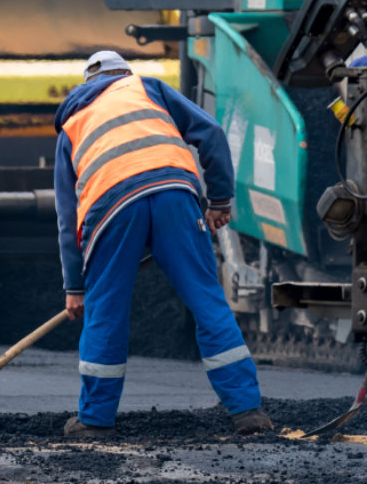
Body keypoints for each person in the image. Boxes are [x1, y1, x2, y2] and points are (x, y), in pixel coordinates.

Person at [53, 51, 272, 438]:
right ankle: (248, 412)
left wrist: (75, 287)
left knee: (106, 311)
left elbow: (67, 216)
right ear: (125, 74)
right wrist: (219, 200)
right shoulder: (148, 88)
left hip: (110, 209)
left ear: (87, 85)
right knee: (208, 301)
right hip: (174, 194)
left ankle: (94, 421)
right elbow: (213, 135)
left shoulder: (72, 122)